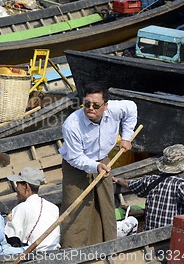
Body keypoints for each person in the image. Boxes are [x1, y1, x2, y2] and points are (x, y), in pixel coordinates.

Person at [58, 82, 137, 248]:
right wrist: (95, 167)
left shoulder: (116, 109)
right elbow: (75, 157)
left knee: (105, 205)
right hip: (76, 167)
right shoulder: (72, 125)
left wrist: (126, 137)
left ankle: (107, 246)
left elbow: (132, 108)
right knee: (76, 209)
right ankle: (73, 250)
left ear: (105, 105)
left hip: (103, 160)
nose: (90, 108)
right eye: (86, 104)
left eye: (96, 105)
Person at [113, 144, 184, 230]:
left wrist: (119, 180)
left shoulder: (150, 179)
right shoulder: (181, 184)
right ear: (183, 168)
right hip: (170, 233)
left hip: (150, 231)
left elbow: (129, 184)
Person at [4, 167, 60, 252]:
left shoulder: (20, 208)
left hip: (35, 256)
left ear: (26, 186)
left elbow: (10, 236)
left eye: (17, 185)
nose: (16, 189)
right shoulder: (53, 207)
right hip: (55, 253)